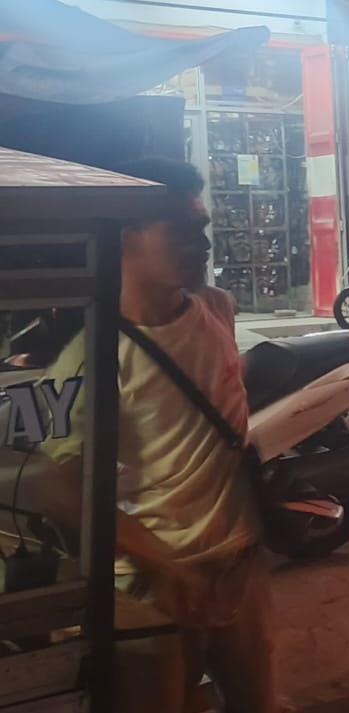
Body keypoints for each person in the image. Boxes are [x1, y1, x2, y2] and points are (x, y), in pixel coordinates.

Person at [31, 158, 278, 713]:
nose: (203, 243)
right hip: (149, 589)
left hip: (239, 564)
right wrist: (162, 563)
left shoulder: (217, 309)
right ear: (126, 237)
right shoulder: (89, 357)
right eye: (182, 230)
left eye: (203, 227)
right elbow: (57, 484)